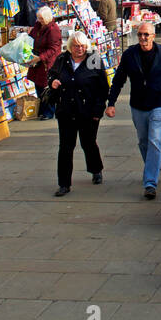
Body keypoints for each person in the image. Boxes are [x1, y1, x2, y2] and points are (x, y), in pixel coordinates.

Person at [105, 22, 161, 199]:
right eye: (140, 34)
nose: (143, 38)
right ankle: (153, 166)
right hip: (138, 105)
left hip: (159, 103)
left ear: (153, 36)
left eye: (146, 35)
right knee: (143, 141)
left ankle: (150, 182)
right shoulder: (130, 55)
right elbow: (119, 79)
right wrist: (111, 103)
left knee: (154, 140)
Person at [47, 31, 108, 196]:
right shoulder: (62, 59)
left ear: (86, 47)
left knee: (88, 142)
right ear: (70, 47)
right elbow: (51, 75)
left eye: (82, 46)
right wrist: (53, 82)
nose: (79, 49)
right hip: (66, 111)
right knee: (66, 147)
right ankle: (64, 184)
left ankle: (96, 169)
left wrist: (98, 110)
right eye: (75, 46)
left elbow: (103, 87)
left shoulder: (93, 59)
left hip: (87, 111)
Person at [27, 7, 63, 119]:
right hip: (37, 60)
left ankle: (48, 111)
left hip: (47, 62)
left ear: (47, 18)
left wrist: (40, 57)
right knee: (38, 85)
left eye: (41, 18)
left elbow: (54, 49)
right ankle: (42, 110)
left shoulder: (53, 29)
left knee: (46, 86)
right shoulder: (38, 26)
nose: (39, 20)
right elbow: (31, 37)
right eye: (38, 18)